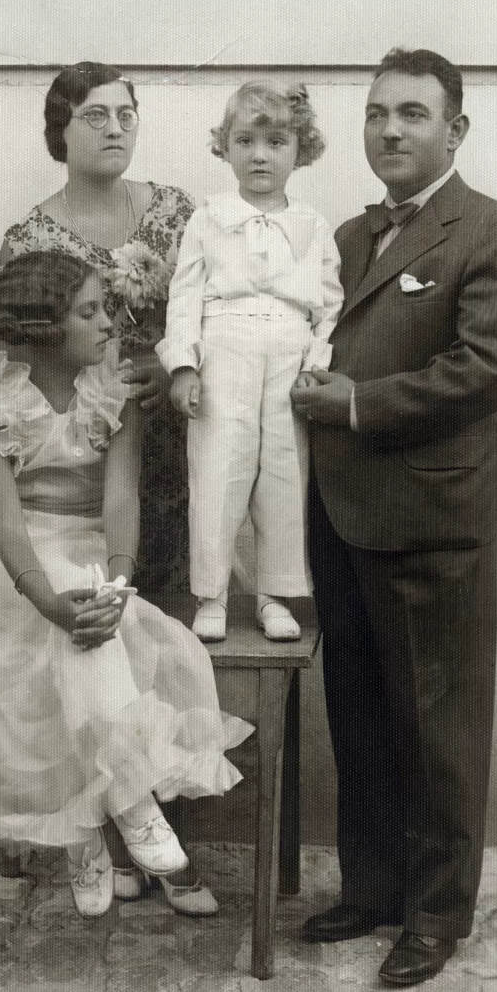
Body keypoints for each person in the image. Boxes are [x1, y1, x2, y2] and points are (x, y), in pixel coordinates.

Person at [0, 61, 219, 916]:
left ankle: (167, 844)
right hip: (54, 485)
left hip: (160, 458)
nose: (115, 127)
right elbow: (13, 354)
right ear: (58, 128)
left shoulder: (179, 215)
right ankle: (104, 832)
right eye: (94, 114)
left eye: (127, 113)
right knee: (82, 644)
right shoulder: (30, 240)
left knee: (146, 644)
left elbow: (214, 314)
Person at [291, 49, 497, 986]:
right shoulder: (344, 237)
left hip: (434, 519)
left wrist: (355, 404)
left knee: (438, 724)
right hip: (341, 514)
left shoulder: (495, 233)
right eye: (377, 115)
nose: (390, 131)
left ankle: (436, 915)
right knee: (360, 711)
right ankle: (375, 887)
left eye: (412, 115)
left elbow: (487, 371)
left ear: (455, 130)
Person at [0, 251, 253, 920]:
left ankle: (83, 834)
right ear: (45, 328)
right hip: (15, 561)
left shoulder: (115, 393)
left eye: (105, 306)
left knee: (86, 639)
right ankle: (136, 811)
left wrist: (121, 581)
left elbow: (119, 501)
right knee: (70, 625)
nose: (108, 323)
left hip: (90, 549)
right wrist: (48, 601)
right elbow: (9, 527)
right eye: (89, 311)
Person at [157, 81, 343, 642]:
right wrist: (184, 365)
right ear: (226, 148)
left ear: (299, 150)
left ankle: (273, 594)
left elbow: (329, 304)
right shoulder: (208, 219)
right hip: (226, 348)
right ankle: (211, 594)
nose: (260, 155)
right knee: (218, 468)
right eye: (246, 141)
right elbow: (184, 295)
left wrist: (316, 361)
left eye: (276, 141)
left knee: (285, 472)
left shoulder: (312, 225)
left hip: (289, 351)